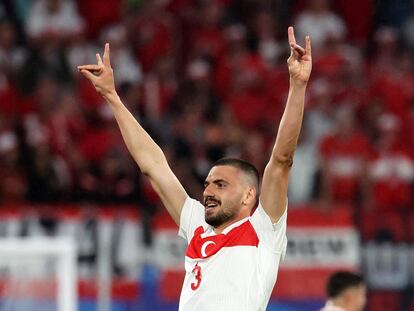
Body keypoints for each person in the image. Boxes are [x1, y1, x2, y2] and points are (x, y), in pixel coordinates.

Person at [78, 26, 312, 311]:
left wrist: (297, 87)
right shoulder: (197, 224)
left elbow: (281, 161)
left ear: (249, 196)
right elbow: (154, 165)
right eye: (208, 185)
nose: (209, 192)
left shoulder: (263, 230)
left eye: (221, 185)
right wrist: (112, 97)